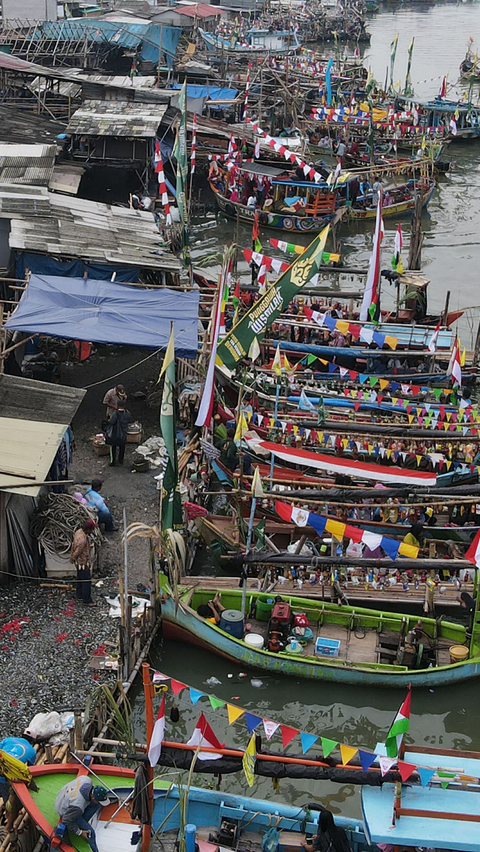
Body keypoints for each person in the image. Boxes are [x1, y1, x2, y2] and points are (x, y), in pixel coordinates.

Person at [54, 778, 110, 852]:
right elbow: (66, 820)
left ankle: (82, 822)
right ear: (92, 797)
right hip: (64, 809)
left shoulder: (86, 780)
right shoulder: (78, 807)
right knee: (91, 833)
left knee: (96, 804)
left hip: (64, 795)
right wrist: (80, 832)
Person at [70, 519, 98, 606]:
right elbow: (78, 551)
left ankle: (79, 594)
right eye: (92, 529)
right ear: (88, 529)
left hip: (78, 563)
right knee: (86, 581)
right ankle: (87, 600)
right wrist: (73, 558)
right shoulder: (83, 540)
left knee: (80, 578)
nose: (92, 531)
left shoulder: (78, 532)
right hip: (83, 562)